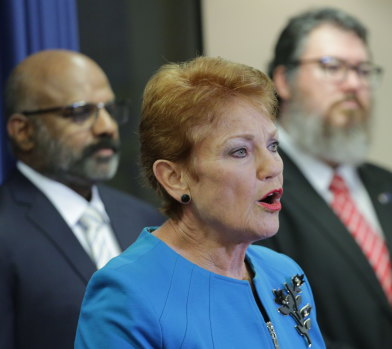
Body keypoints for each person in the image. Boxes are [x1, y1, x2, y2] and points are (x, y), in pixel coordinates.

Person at [256, 7, 392, 349]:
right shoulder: (258, 192)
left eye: (363, 70)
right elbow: (274, 327)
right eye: (332, 67)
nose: (354, 84)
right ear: (284, 80)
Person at [74, 56, 326, 348]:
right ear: (175, 178)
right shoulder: (127, 293)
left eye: (272, 145)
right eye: (240, 151)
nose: (272, 167)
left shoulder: (284, 274)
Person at [0, 50, 164, 349]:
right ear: (23, 131)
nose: (107, 126)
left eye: (109, 109)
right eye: (80, 112)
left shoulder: (145, 220)